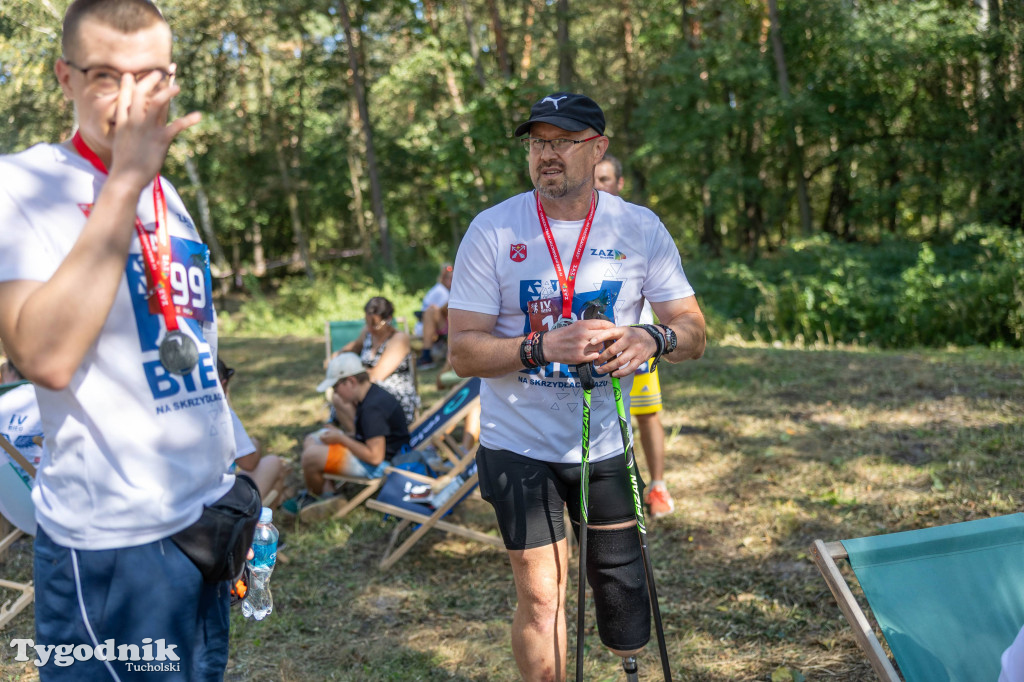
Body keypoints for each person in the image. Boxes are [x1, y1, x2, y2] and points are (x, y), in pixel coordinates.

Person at [0, 1, 233, 678]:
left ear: (173, 81)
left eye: (149, 78)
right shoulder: (23, 183)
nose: (130, 101)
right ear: (63, 78)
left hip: (204, 522)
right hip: (110, 544)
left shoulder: (170, 198)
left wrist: (233, 471)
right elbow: (41, 357)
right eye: (105, 76)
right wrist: (126, 179)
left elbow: (181, 345)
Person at [448, 91, 706, 681]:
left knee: (622, 598)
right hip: (518, 445)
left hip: (604, 446)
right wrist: (539, 346)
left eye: (563, 141)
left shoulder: (639, 228)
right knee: (543, 599)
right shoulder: (493, 229)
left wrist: (652, 340)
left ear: (598, 149)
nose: (548, 154)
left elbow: (693, 330)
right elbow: (462, 350)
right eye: (539, 142)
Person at [594, 152, 675, 518]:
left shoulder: (635, 223)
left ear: (619, 183)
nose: (599, 185)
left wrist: (650, 336)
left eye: (606, 179)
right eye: (594, 178)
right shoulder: (572, 225)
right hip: (597, 349)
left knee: (646, 414)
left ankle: (657, 485)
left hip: (637, 342)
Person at [286, 352, 411, 516]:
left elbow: (375, 457)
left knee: (310, 457)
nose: (335, 394)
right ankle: (329, 493)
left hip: (385, 465)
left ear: (350, 381)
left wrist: (341, 438)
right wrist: (340, 436)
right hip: (377, 454)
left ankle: (315, 497)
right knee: (313, 439)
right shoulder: (369, 396)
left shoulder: (372, 409)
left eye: (335, 387)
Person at [338, 296, 419, 425]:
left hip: (393, 394)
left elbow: (377, 375)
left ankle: (366, 437)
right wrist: (337, 356)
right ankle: (359, 435)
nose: (370, 328)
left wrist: (347, 375)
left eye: (375, 324)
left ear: (388, 320)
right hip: (367, 386)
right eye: (367, 322)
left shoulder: (399, 339)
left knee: (347, 393)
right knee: (339, 395)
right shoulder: (368, 333)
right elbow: (354, 346)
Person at [217, 358, 286, 508]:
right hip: (219, 504)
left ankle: (281, 503)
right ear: (223, 385)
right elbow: (249, 463)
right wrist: (255, 443)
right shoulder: (222, 413)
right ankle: (256, 526)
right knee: (274, 463)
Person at [0, 358, 43, 536]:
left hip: (8, 499)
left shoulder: (4, 402)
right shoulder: (52, 399)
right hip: (48, 498)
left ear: (10, 372)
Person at [415, 263, 453, 369]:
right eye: (447, 278)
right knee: (431, 311)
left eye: (452, 278)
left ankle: (426, 355)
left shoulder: (445, 291)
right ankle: (426, 355)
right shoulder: (441, 291)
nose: (450, 281)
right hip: (439, 324)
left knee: (431, 311)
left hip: (450, 324)